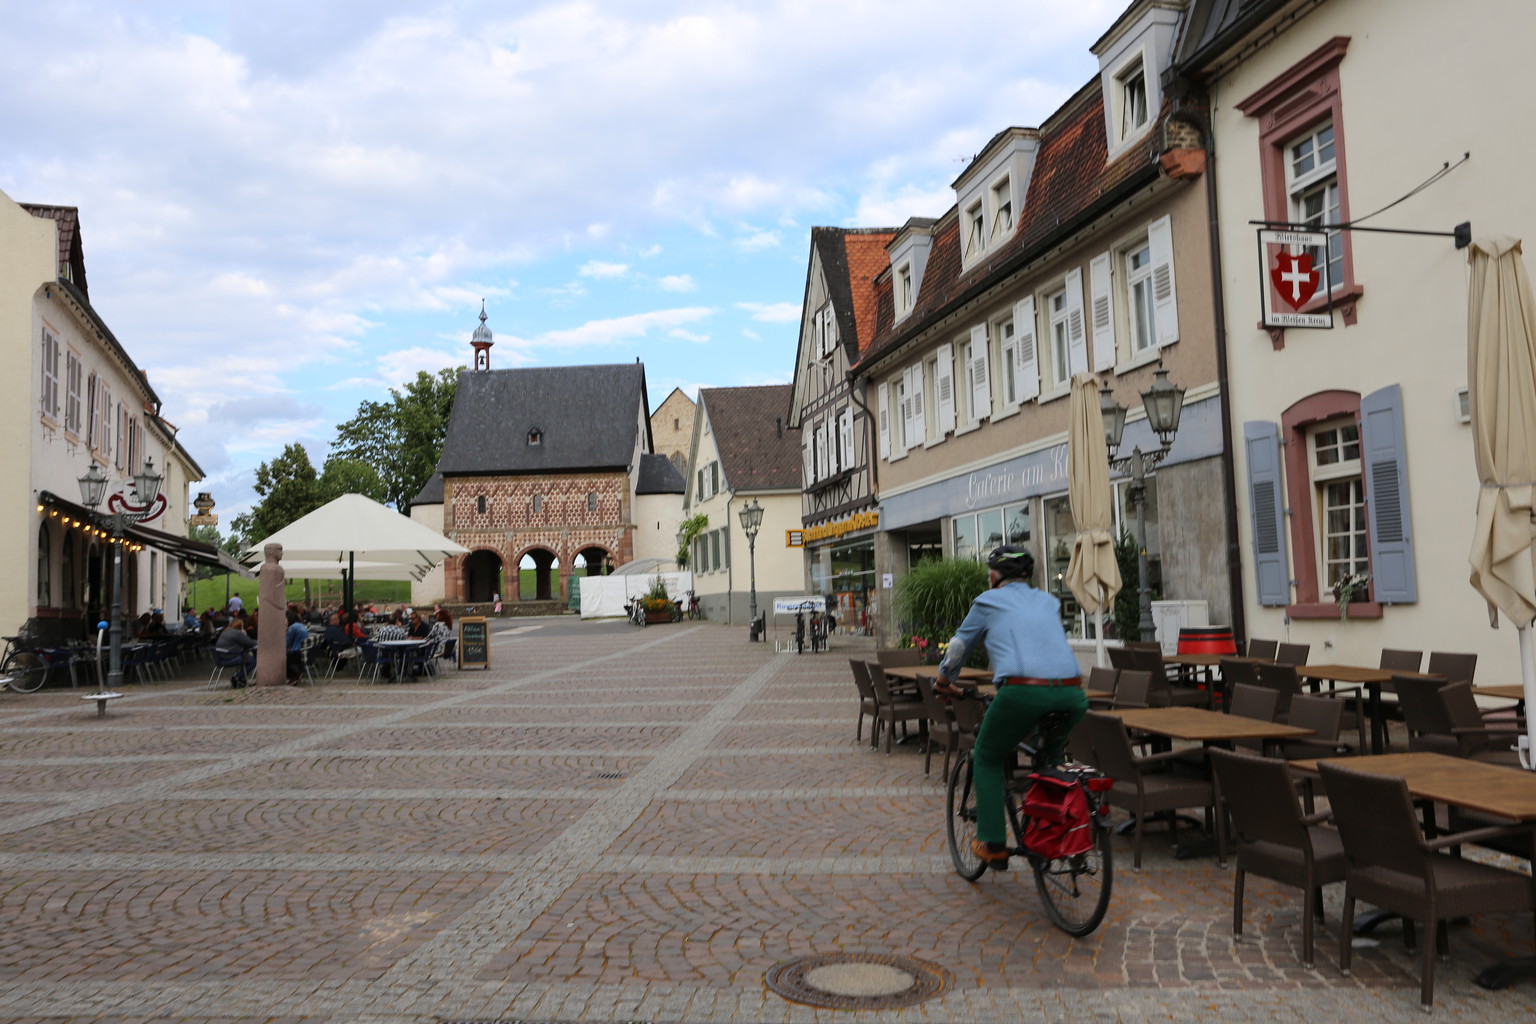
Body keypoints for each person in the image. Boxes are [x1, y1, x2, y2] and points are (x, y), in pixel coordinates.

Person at [935, 545, 1086, 871]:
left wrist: (944, 679)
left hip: (1022, 693)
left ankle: (993, 844)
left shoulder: (988, 601)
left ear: (993, 577)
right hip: (1073, 694)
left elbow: (959, 646)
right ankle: (1056, 830)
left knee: (987, 756)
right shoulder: (1048, 601)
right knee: (1051, 759)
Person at [214, 617, 258, 688]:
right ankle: (237, 677)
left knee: (246, 658)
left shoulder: (226, 631)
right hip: (230, 657)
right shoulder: (237, 633)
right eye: (242, 625)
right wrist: (244, 634)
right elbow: (250, 643)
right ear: (239, 626)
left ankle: (242, 679)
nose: (243, 627)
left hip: (222, 657)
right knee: (254, 661)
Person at [284, 608, 309, 686]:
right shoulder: (301, 625)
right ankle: (295, 676)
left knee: (280, 660)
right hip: (303, 652)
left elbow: (286, 643)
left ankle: (293, 676)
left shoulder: (292, 628)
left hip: (296, 653)